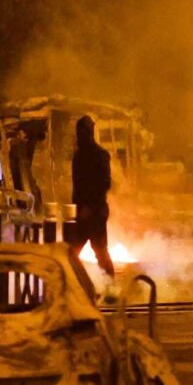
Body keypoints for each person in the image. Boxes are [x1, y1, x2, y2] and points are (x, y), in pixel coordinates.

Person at [70, 115, 114, 277]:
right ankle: (78, 288)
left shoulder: (99, 155)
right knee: (72, 254)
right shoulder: (78, 156)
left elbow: (104, 183)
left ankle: (110, 290)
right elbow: (77, 187)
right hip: (83, 212)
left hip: (94, 212)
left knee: (99, 253)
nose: (81, 136)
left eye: (84, 132)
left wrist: (90, 206)